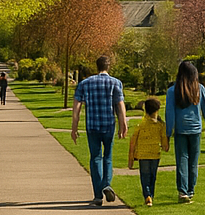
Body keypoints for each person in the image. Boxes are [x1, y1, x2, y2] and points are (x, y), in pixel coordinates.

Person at [71, 56, 127, 206]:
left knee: (95, 158)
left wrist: (74, 127)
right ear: (108, 67)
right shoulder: (115, 83)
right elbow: (120, 105)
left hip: (92, 126)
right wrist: (123, 124)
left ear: (96, 66)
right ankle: (107, 184)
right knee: (107, 156)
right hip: (108, 125)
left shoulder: (85, 83)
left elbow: (77, 108)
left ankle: (97, 196)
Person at [164, 60, 205, 203]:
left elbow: (170, 113)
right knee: (193, 162)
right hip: (195, 130)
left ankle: (183, 191)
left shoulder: (172, 91)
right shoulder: (199, 88)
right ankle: (191, 190)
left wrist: (168, 133)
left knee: (182, 161)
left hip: (180, 130)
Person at [127, 97, 169, 207]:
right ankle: (151, 196)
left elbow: (133, 142)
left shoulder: (141, 125)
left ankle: (147, 195)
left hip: (142, 154)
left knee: (144, 176)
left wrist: (131, 159)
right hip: (155, 154)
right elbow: (164, 139)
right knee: (152, 176)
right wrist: (165, 146)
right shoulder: (160, 125)